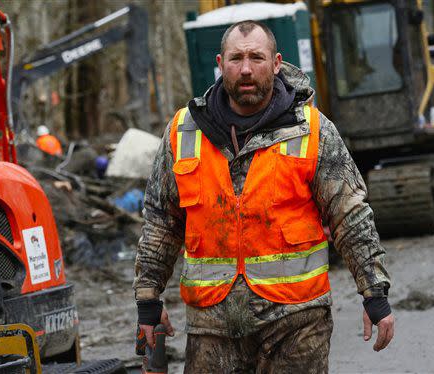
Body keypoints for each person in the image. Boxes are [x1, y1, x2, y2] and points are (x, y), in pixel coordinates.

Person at [134, 20, 394, 373]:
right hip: (212, 328)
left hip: (297, 322)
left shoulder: (313, 130)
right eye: (235, 58)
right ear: (220, 62)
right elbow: (161, 221)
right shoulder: (183, 132)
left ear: (276, 63)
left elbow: (350, 215)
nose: (245, 69)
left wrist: (374, 293)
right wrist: (148, 300)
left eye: (256, 57)